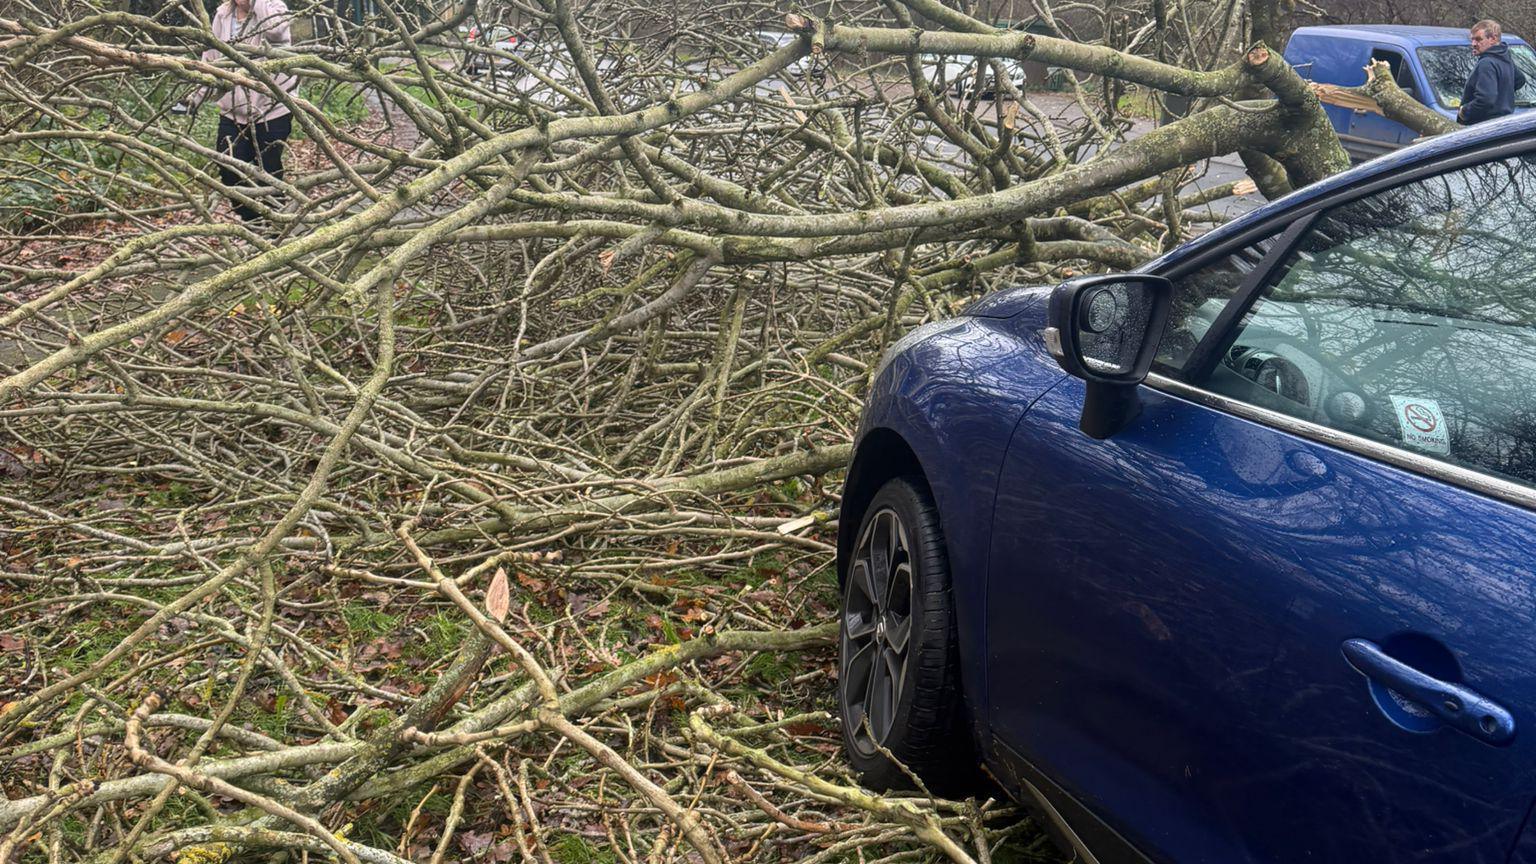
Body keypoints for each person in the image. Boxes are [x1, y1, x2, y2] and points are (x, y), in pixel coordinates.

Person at [199, 0, 297, 223]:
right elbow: (211, 58)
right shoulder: (222, 15)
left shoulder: (274, 7)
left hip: (272, 107)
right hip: (233, 109)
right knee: (228, 166)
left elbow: (276, 32)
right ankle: (253, 222)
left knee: (268, 171)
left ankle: (274, 225)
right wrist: (195, 97)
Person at [1459, 19, 1527, 125]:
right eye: (1472, 39)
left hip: (1483, 127)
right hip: (1505, 123)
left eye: (1478, 39)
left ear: (1493, 39)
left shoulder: (1486, 63)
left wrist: (1464, 111)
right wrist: (1503, 96)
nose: (1473, 44)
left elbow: (1486, 99)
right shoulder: (1504, 58)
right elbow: (1520, 80)